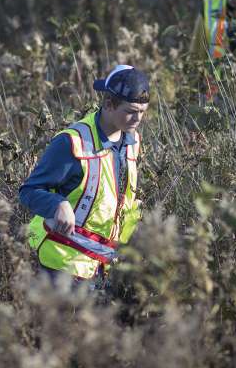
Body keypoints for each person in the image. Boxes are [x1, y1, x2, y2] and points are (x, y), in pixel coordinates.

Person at [19, 65, 149, 286]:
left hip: (102, 267)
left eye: (143, 112)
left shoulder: (132, 141)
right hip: (60, 264)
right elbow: (28, 192)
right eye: (130, 111)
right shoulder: (71, 142)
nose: (138, 119)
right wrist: (57, 204)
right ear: (109, 104)